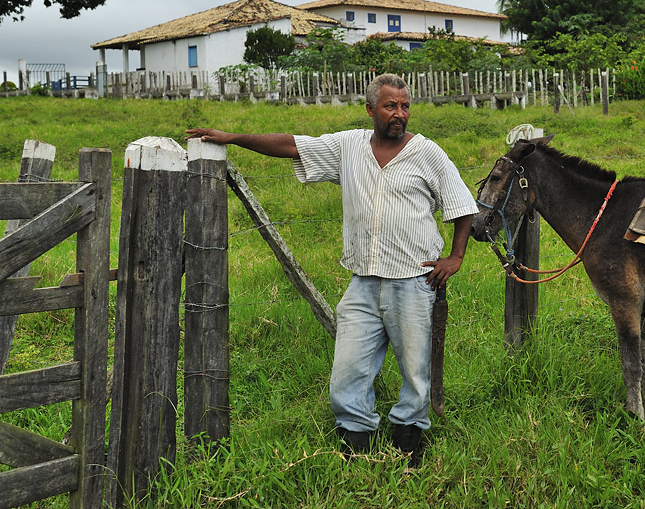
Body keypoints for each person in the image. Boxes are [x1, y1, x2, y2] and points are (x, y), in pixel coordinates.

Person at [185, 73, 477, 466]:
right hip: (362, 282)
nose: (399, 114)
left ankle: (409, 443)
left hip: (413, 279)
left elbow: (463, 206)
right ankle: (356, 441)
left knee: (415, 372)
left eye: (405, 106)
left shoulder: (428, 153)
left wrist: (455, 257)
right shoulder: (348, 146)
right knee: (347, 370)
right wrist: (234, 138)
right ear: (371, 109)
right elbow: (292, 145)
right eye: (391, 106)